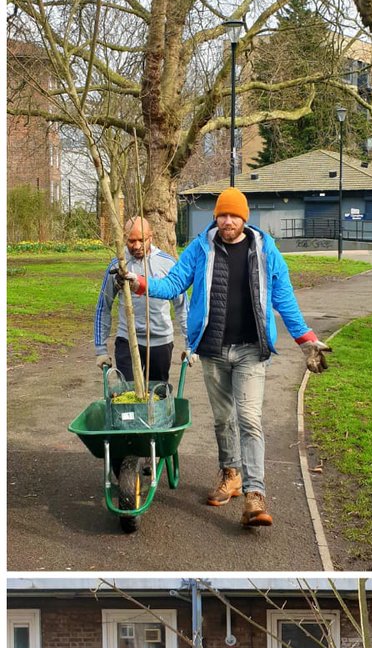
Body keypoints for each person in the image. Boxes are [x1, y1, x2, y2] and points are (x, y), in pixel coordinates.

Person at [118, 187, 332, 528]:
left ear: (244, 219)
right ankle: (230, 474)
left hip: (251, 349)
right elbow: (173, 283)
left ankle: (254, 494)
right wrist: (140, 282)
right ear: (215, 217)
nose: (228, 221)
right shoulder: (201, 248)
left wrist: (306, 340)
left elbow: (284, 297)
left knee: (249, 418)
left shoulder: (265, 250)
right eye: (222, 214)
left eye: (234, 215)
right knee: (223, 419)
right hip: (214, 350)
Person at [94, 216, 186, 384]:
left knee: (157, 394)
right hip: (127, 339)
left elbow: (182, 306)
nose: (136, 246)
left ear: (151, 236)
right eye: (131, 241)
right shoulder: (117, 267)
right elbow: (103, 307)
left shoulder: (168, 264)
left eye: (141, 240)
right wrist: (100, 349)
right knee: (128, 393)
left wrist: (190, 344)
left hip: (160, 341)